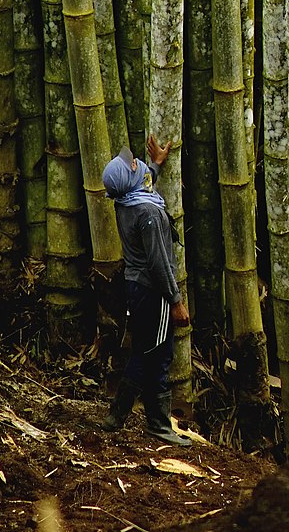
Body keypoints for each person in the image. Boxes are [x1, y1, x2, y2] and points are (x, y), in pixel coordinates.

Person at [102, 135, 190, 444]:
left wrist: (156, 164)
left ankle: (126, 418)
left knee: (147, 349)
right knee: (156, 354)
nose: (137, 163)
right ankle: (150, 423)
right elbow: (160, 263)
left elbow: (144, 181)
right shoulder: (148, 213)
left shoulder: (128, 200)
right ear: (130, 180)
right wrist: (176, 301)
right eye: (134, 165)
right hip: (153, 292)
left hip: (135, 288)